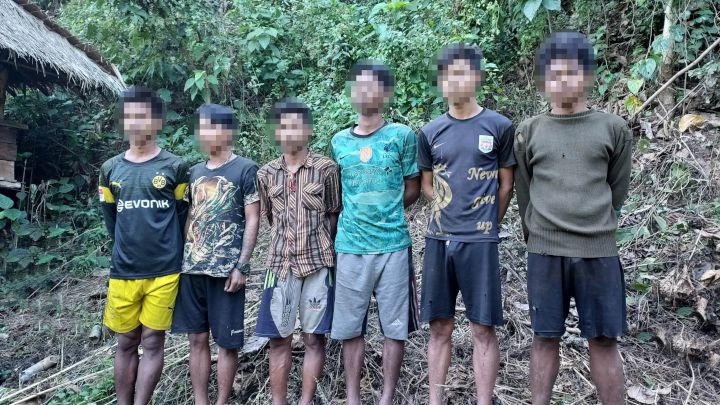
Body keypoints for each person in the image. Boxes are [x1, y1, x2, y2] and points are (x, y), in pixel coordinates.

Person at [514, 32, 632, 405]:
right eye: (553, 73)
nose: (561, 81)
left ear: (587, 76)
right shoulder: (529, 131)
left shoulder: (613, 129)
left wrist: (596, 224)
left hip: (598, 250)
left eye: (570, 72)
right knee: (544, 337)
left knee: (603, 339)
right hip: (545, 251)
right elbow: (524, 191)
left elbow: (617, 189)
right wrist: (537, 235)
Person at [417, 44, 516, 405]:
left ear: (476, 78)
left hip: (480, 242)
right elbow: (428, 185)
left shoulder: (499, 126)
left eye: (461, 73)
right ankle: (435, 400)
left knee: (482, 327)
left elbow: (506, 184)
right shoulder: (430, 131)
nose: (453, 81)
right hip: (439, 238)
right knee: (439, 326)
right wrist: (448, 209)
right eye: (447, 75)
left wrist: (486, 221)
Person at [329, 61, 421, 405]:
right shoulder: (338, 141)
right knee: (350, 327)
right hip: (350, 245)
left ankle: (386, 397)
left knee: (394, 328)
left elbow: (412, 186)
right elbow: (338, 195)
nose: (365, 92)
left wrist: (388, 212)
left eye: (373, 86)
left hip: (393, 244)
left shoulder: (402, 136)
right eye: (359, 86)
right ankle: (353, 397)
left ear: (386, 93)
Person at [98, 86, 189, 405]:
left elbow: (182, 216)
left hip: (165, 269)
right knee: (125, 341)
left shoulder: (176, 167)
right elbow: (112, 220)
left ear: (157, 122)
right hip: (124, 270)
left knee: (152, 341)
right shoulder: (110, 169)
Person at [170, 104, 260, 405]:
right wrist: (185, 257)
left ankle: (221, 401)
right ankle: (201, 401)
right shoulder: (194, 172)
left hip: (226, 271)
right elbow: (188, 217)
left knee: (227, 342)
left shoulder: (245, 169)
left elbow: (253, 218)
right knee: (196, 339)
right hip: (192, 269)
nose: (204, 135)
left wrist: (242, 265)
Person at [255, 98, 342, 405]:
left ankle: (305, 400)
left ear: (308, 130)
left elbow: (333, 212)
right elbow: (270, 217)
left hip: (318, 262)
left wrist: (319, 244)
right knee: (278, 339)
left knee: (313, 338)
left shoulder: (326, 169)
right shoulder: (265, 174)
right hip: (279, 264)